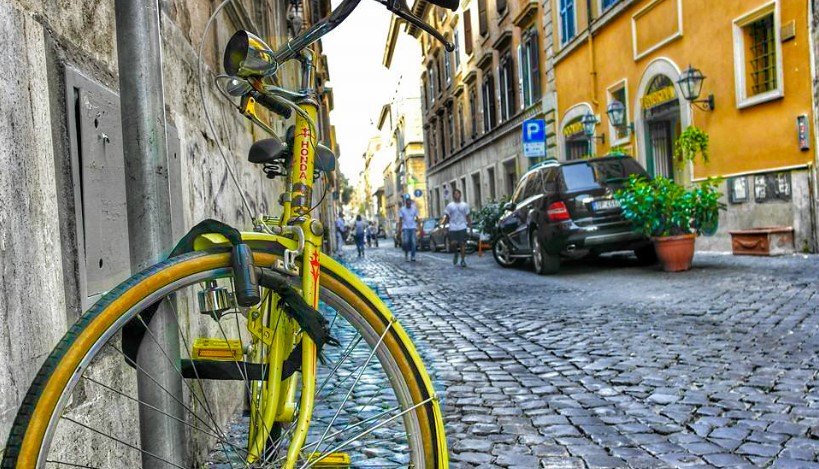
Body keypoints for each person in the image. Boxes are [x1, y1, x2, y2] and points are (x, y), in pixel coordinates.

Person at [442, 188, 471, 267]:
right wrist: (444, 228)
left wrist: (470, 227)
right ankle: (455, 253)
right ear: (453, 196)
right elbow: (447, 217)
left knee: (462, 244)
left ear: (460, 195)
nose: (456, 195)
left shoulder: (464, 205)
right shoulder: (450, 206)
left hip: (462, 226)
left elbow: (468, 216)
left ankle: (463, 260)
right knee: (453, 243)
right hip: (453, 227)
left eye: (458, 194)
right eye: (455, 194)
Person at [397, 194, 419, 261]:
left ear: (410, 201)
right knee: (406, 242)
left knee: (413, 242)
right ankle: (406, 254)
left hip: (413, 227)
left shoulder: (414, 208)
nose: (408, 203)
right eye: (407, 202)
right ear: (405, 202)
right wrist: (399, 230)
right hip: (405, 227)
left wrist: (419, 226)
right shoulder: (402, 209)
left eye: (409, 201)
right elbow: (400, 220)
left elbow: (417, 218)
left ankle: (413, 256)